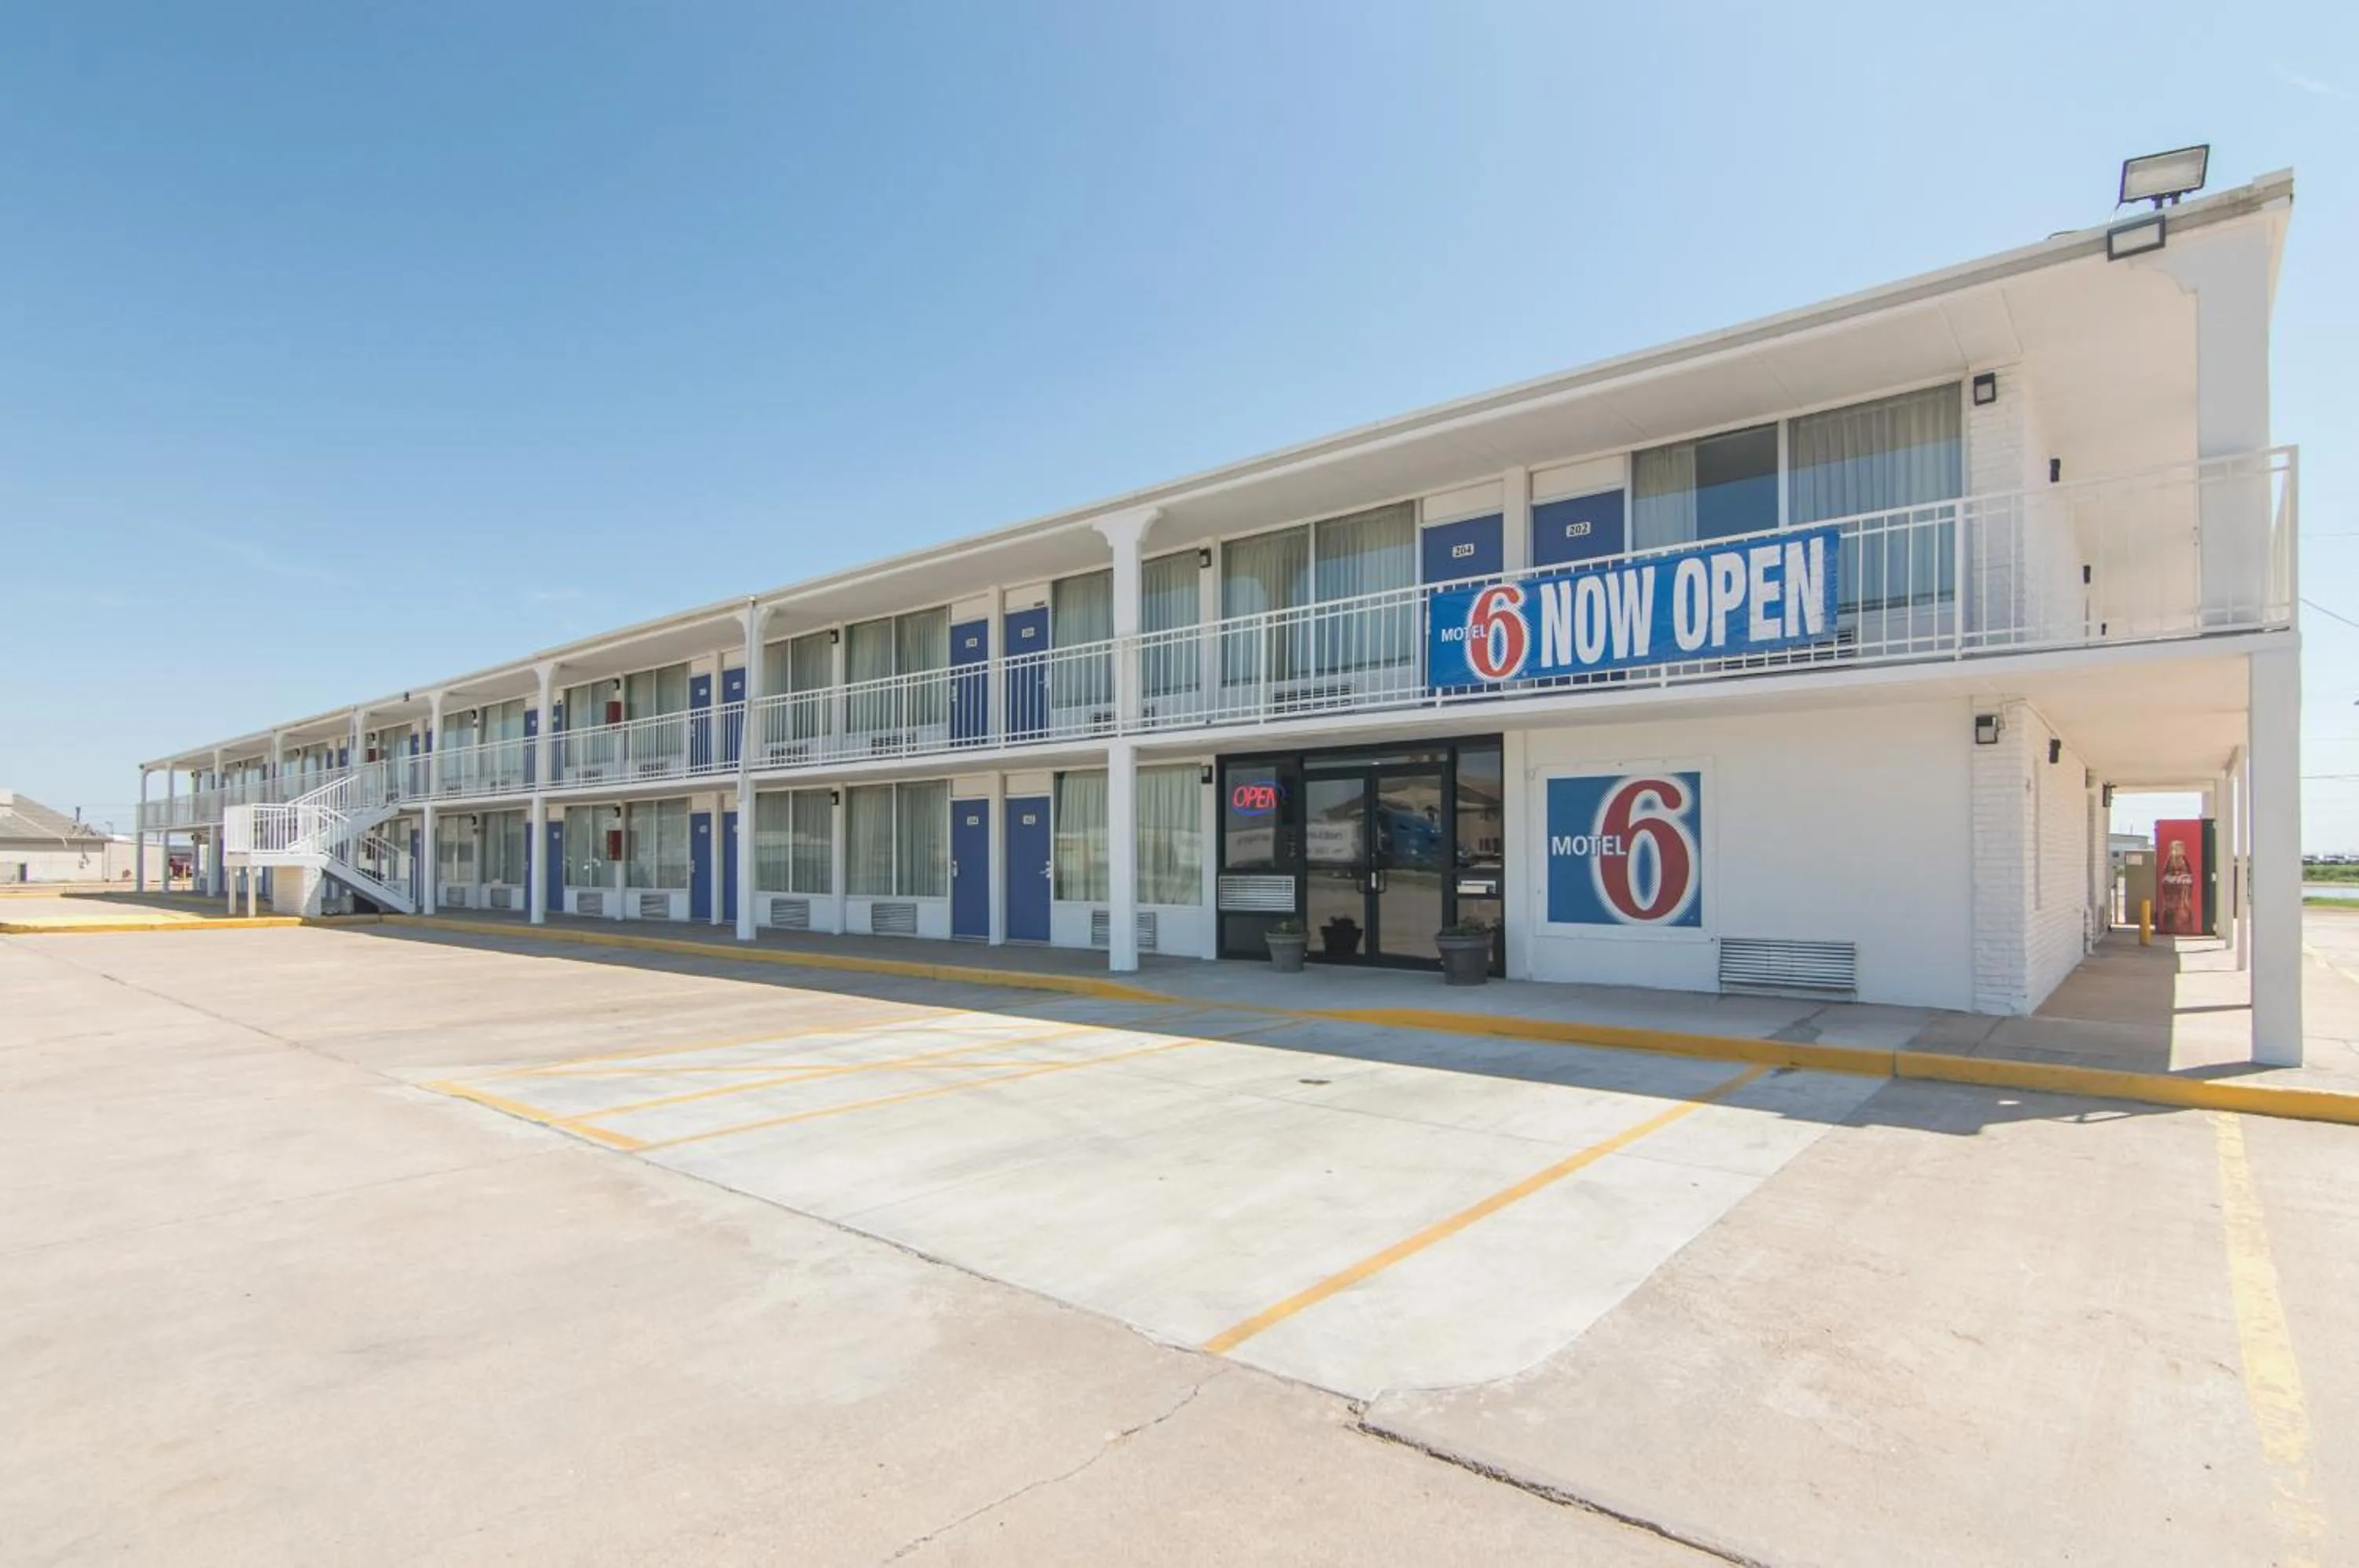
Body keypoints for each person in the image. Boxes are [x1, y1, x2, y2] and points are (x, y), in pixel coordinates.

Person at [2158, 837, 2197, 933]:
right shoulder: (2170, 862)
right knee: (2172, 911)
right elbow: (2167, 880)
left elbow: (2187, 880)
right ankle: (2170, 928)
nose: (2178, 850)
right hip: (2173, 901)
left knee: (2183, 911)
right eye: (2176, 848)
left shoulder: (2184, 862)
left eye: (2180, 848)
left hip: (2183, 900)